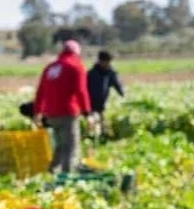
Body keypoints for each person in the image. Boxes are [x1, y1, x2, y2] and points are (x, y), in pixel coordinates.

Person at [33, 40, 91, 173]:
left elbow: (40, 91)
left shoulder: (50, 68)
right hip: (68, 113)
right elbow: (81, 91)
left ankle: (52, 171)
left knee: (60, 146)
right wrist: (87, 113)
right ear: (77, 53)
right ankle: (67, 178)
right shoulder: (76, 66)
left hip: (51, 114)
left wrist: (37, 112)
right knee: (71, 147)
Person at [86, 51, 125, 140]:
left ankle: (103, 137)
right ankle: (93, 138)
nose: (108, 64)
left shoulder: (110, 73)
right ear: (100, 61)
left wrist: (122, 94)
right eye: (106, 62)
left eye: (109, 62)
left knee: (102, 122)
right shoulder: (91, 73)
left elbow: (117, 85)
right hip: (91, 103)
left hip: (102, 103)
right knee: (92, 123)